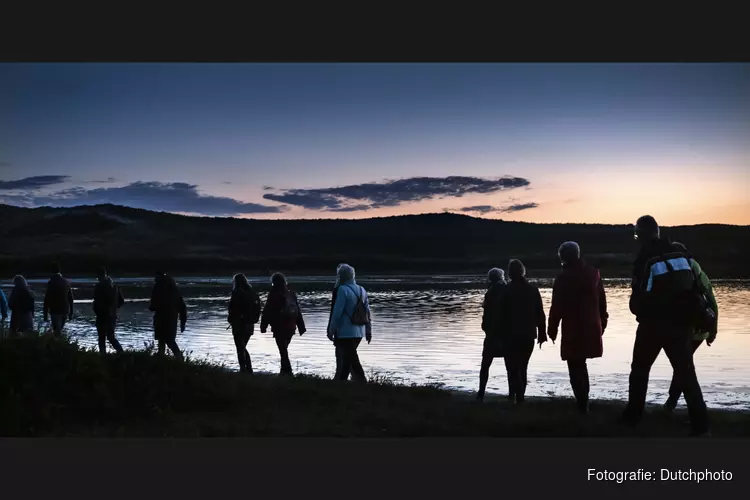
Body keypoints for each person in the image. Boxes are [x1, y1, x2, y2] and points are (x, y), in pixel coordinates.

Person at [621, 215, 710, 436]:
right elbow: (698, 288)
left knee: (639, 371)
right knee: (687, 374)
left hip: (653, 326)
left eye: (636, 235)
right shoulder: (683, 255)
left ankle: (633, 418)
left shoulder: (646, 260)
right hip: (681, 326)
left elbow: (638, 297)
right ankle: (702, 427)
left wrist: (637, 308)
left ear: (641, 235)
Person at [548, 241, 608, 414]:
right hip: (592, 325)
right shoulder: (594, 273)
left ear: (563, 257)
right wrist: (602, 322)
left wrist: (552, 329)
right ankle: (584, 402)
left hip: (573, 328)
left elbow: (556, 307)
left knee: (575, 366)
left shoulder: (562, 278)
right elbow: (602, 302)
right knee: (581, 365)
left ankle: (582, 405)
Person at [663, 242, 718, 413]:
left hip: (687, 326)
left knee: (683, 366)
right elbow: (710, 296)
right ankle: (674, 404)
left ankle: (673, 404)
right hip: (698, 325)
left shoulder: (669, 267)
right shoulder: (694, 267)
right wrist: (713, 329)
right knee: (684, 366)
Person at [497, 259, 547, 404]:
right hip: (528, 335)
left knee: (512, 368)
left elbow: (500, 315)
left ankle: (514, 397)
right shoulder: (533, 290)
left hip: (510, 335)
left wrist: (497, 335)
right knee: (522, 367)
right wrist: (542, 333)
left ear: (510, 273)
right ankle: (520, 398)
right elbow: (540, 314)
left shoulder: (506, 291)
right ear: (523, 271)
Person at [327, 264, 372, 382]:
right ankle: (342, 382)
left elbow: (337, 313)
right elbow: (367, 312)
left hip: (345, 331)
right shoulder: (362, 289)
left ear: (341, 276)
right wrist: (368, 331)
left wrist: (331, 330)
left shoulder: (342, 289)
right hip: (359, 331)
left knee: (352, 358)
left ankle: (362, 381)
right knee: (348, 359)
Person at [260, 273, 306, 376]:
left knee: (283, 350)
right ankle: (284, 372)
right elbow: (298, 311)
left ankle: (288, 372)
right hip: (291, 327)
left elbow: (267, 311)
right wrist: (301, 327)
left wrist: (263, 326)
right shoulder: (291, 294)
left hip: (279, 326)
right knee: (283, 349)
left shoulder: (273, 294)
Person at [477, 268, 509, 402]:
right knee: (511, 366)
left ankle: (481, 394)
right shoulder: (507, 290)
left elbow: (487, 317)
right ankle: (512, 395)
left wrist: (487, 329)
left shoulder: (490, 293)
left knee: (485, 365)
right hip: (506, 334)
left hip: (492, 335)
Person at [227, 273, 261, 373]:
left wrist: (231, 318)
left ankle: (244, 369)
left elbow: (232, 308)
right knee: (243, 347)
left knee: (240, 347)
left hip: (238, 323)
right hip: (250, 323)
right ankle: (248, 369)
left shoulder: (236, 292)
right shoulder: (252, 293)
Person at [149, 271, 186, 361]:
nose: (154, 279)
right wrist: (182, 322)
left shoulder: (158, 287)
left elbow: (153, 305)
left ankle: (167, 358)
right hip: (172, 319)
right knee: (169, 340)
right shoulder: (174, 288)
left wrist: (152, 307)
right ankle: (178, 359)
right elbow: (182, 307)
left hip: (161, 318)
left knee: (163, 340)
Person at [92, 267, 125, 355]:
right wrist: (114, 308)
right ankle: (121, 353)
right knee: (111, 337)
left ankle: (103, 357)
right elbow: (121, 301)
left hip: (102, 315)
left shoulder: (99, 286)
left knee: (101, 338)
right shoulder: (115, 286)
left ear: (99, 276)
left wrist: (97, 311)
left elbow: (96, 301)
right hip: (112, 315)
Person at [43, 264, 74, 338]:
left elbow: (47, 299)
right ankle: (61, 345)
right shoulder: (66, 282)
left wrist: (45, 314)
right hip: (65, 310)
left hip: (55, 310)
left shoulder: (51, 282)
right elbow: (71, 298)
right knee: (59, 330)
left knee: (57, 332)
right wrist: (71, 312)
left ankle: (58, 346)